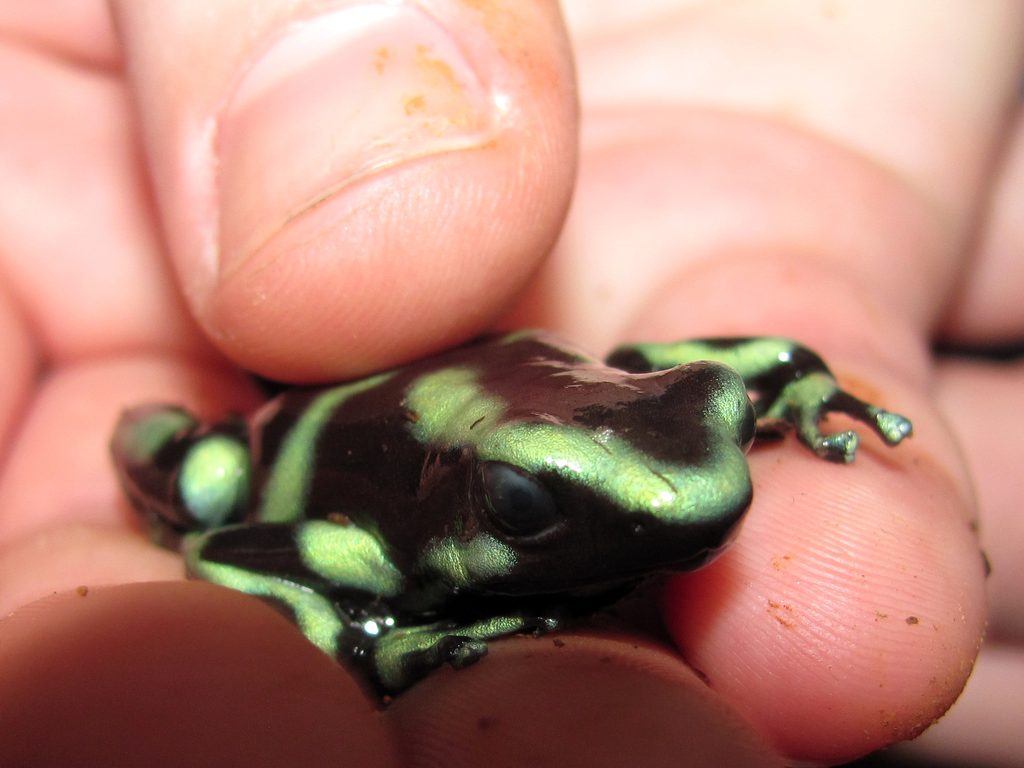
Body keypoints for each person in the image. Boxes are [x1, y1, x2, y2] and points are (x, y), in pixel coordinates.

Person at [0, 2, 1019, 765]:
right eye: (528, 503)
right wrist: (360, 629)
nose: (704, 496)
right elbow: (226, 549)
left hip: (516, 377)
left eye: (714, 418)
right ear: (477, 500)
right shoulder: (370, 535)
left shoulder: (635, 399)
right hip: (311, 429)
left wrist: (798, 390)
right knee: (211, 480)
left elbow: (754, 362)